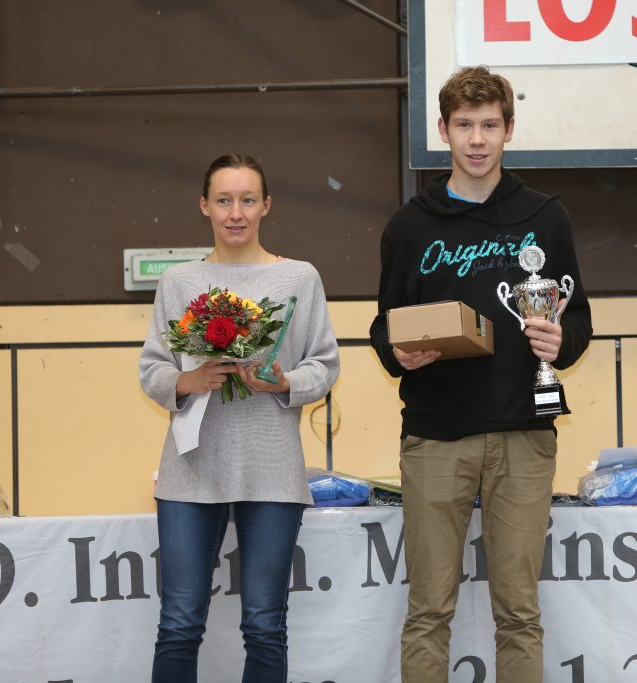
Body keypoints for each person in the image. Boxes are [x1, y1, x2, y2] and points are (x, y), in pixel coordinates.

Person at [368, 67, 593, 683]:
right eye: (464, 125)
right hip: (435, 436)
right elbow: (384, 326)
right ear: (443, 130)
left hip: (525, 434)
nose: (476, 139)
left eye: (489, 125)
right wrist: (398, 354)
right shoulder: (408, 226)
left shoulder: (546, 217)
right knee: (428, 611)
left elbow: (577, 320)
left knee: (519, 612)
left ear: (509, 130)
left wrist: (561, 340)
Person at [139, 154, 340, 683]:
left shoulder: (299, 278)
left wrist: (285, 383)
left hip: (272, 470)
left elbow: (324, 365)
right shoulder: (179, 281)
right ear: (204, 205)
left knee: (265, 625)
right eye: (224, 200)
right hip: (191, 469)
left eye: (248, 200)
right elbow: (153, 369)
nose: (236, 213)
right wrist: (188, 381)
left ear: (266, 205)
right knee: (179, 624)